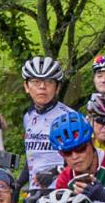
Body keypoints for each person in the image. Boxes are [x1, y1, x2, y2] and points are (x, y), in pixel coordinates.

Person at [20, 56, 74, 190]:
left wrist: (54, 172)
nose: (42, 87)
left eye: (49, 82)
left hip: (62, 190)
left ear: (57, 88)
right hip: (35, 190)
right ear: (26, 86)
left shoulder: (69, 117)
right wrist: (18, 184)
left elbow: (83, 159)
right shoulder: (28, 116)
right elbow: (31, 156)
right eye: (35, 81)